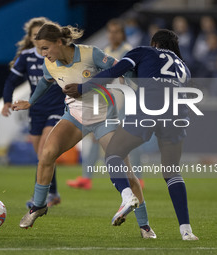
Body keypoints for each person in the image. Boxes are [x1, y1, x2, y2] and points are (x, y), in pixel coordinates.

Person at [12, 22, 156, 239]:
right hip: (75, 117)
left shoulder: (90, 53)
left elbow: (120, 67)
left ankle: (145, 226)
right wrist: (30, 102)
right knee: (46, 154)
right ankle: (38, 206)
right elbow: (45, 82)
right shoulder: (49, 64)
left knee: (126, 171)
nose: (43, 53)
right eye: (40, 49)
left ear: (59, 42)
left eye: (46, 48)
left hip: (104, 117)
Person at [64, 29, 199, 241]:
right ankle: (186, 230)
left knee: (113, 154)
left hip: (150, 107)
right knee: (172, 172)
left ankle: (127, 197)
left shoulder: (144, 51)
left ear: (154, 42)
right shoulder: (185, 68)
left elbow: (112, 72)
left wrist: (83, 88)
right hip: (177, 114)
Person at [2, 17, 65, 208]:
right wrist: (6, 101)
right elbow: (11, 81)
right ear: (31, 38)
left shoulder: (57, 54)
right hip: (36, 110)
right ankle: (52, 192)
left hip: (57, 107)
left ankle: (44, 197)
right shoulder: (27, 56)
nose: (39, 38)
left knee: (45, 149)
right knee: (42, 156)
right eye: (35, 34)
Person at [66, 18, 133, 190]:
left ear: (122, 34)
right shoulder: (105, 52)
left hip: (125, 102)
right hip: (107, 102)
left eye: (116, 31)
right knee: (96, 139)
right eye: (110, 31)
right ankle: (86, 177)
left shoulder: (129, 52)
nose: (112, 35)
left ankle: (135, 178)